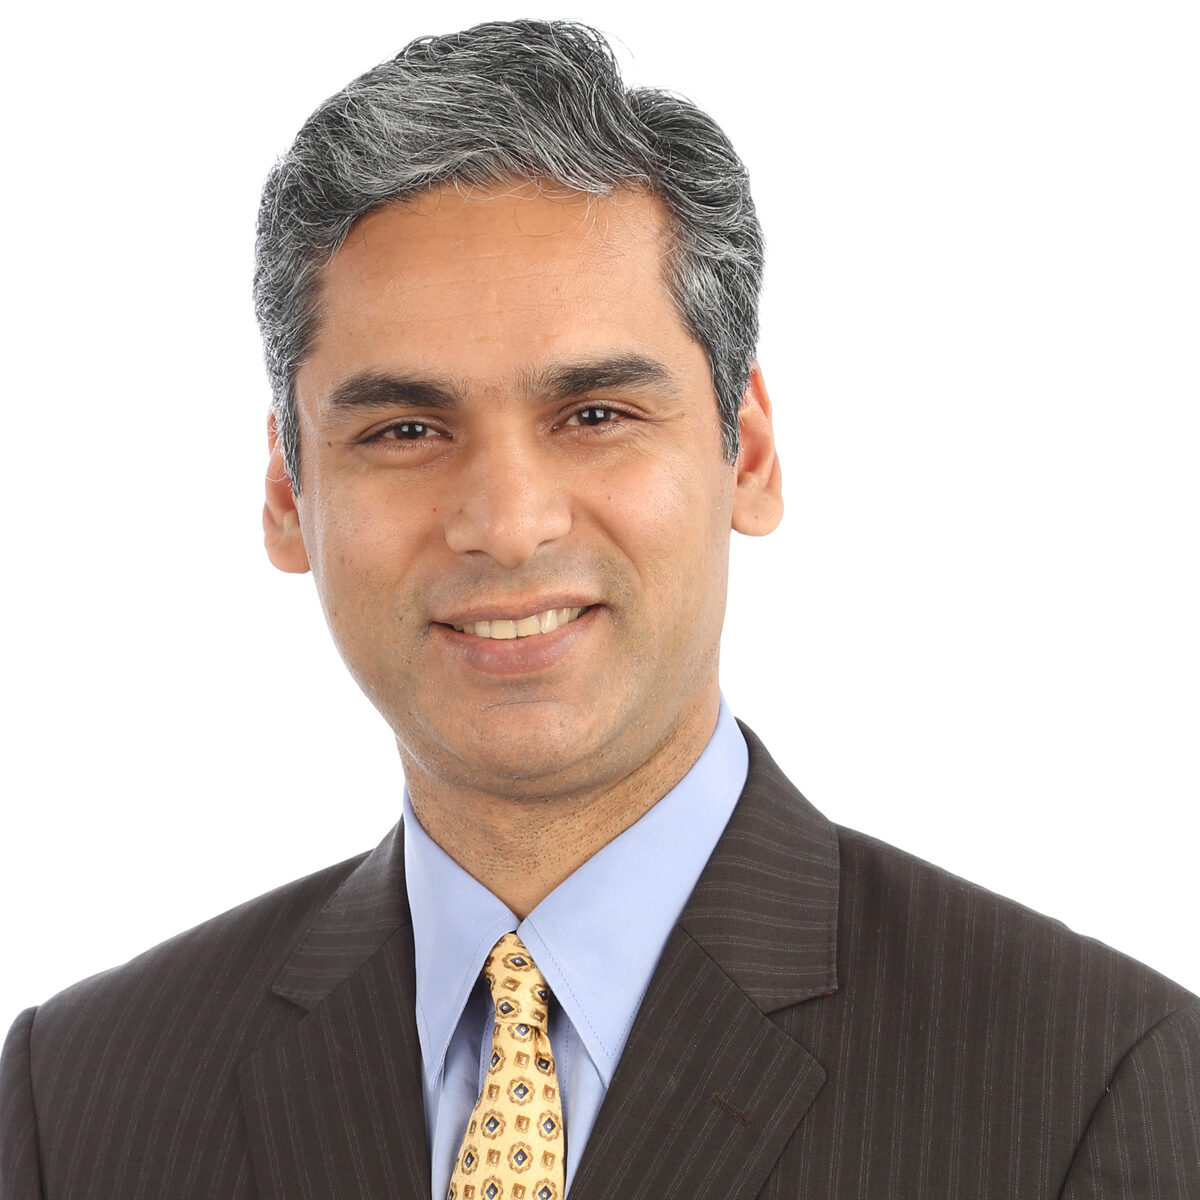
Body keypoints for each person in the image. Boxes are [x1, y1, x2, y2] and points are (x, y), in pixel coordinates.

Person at [1, 19, 1196, 1200]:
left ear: (748, 455)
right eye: (406, 429)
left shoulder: (1088, 1086)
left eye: (595, 415)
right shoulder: (81, 1100)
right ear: (285, 493)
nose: (509, 522)